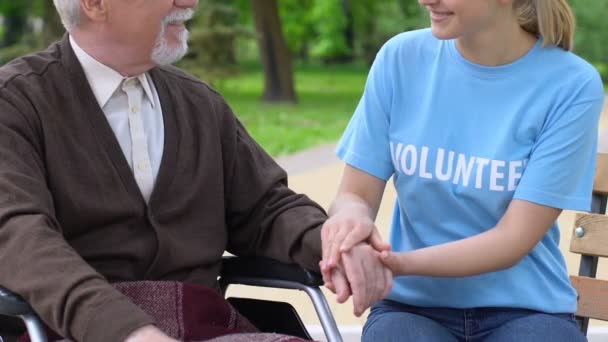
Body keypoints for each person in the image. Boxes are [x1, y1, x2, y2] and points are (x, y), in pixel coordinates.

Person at [0, 0, 392, 341]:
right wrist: (126, 331)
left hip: (207, 325)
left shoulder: (200, 104)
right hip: (74, 331)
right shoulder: (16, 103)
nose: (190, 2)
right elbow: (20, 238)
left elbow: (266, 208)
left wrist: (333, 243)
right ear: (95, 3)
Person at [320, 0, 605, 341]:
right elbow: (355, 194)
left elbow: (512, 240)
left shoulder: (571, 85)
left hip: (528, 311)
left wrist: (395, 264)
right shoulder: (401, 59)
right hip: (411, 309)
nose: (426, 0)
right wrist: (350, 222)